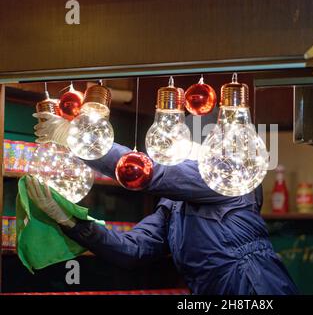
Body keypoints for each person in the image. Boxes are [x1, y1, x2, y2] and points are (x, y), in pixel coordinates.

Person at [27, 109, 298, 295]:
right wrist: (72, 223)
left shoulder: (228, 176)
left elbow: (151, 173)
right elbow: (132, 250)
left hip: (253, 285)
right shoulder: (174, 204)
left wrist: (76, 140)